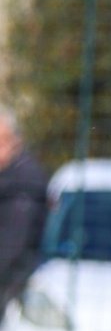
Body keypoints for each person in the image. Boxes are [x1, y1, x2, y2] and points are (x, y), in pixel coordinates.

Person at [0, 104, 48, 306]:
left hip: (9, 290)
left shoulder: (24, 182)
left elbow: (12, 246)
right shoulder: (9, 175)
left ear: (11, 140)